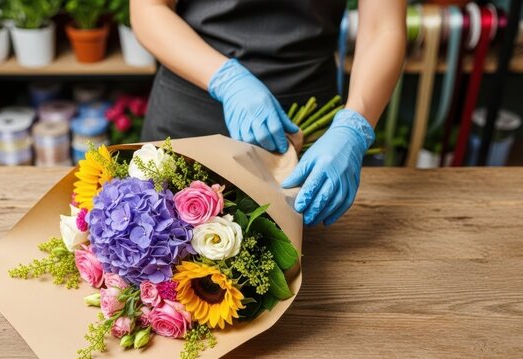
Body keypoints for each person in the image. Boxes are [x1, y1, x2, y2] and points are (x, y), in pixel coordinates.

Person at [131, 0, 405, 226]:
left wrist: (354, 127)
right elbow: (149, 9)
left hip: (305, 135)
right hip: (189, 118)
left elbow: (383, 27)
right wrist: (226, 79)